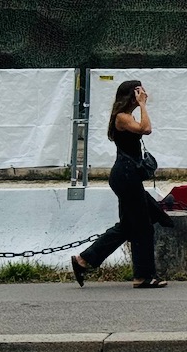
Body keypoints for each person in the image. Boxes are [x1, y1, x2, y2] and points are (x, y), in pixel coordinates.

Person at [71, 79, 173, 290]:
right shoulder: (122, 117)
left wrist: (141, 105)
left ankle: (83, 260)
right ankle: (143, 277)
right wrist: (143, 105)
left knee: (128, 226)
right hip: (126, 176)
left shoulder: (127, 116)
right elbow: (146, 129)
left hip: (127, 176)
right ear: (130, 95)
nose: (144, 93)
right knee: (143, 227)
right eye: (139, 91)